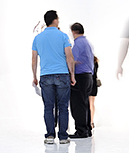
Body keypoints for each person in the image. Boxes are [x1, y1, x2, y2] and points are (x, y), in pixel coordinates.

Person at [32, 10, 76, 144]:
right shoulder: (63, 36)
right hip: (62, 74)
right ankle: (63, 136)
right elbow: (69, 57)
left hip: (45, 75)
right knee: (63, 107)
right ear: (55, 20)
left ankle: (50, 135)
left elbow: (34, 60)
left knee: (48, 107)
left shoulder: (37, 38)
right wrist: (72, 75)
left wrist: (34, 76)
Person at [69, 22, 95, 138]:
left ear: (73, 32)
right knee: (85, 103)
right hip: (89, 76)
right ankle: (87, 129)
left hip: (81, 76)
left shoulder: (78, 43)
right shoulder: (88, 43)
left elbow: (72, 60)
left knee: (77, 104)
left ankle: (81, 130)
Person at [89, 56, 100, 129]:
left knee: (88, 104)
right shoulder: (95, 61)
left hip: (89, 82)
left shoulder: (87, 62)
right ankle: (92, 121)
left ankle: (89, 121)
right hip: (94, 83)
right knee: (92, 103)